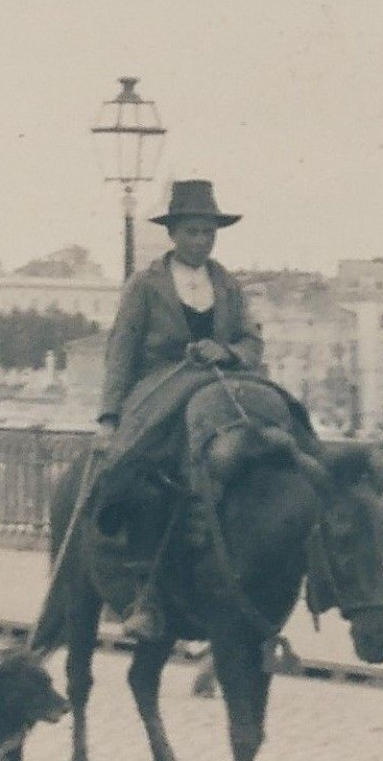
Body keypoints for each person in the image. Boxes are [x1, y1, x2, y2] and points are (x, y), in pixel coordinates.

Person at [90, 179, 266, 639]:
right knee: (144, 469)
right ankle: (143, 592)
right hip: (160, 388)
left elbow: (252, 340)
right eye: (192, 232)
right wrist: (110, 418)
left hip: (222, 383)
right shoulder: (145, 286)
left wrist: (225, 352)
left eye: (208, 233)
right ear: (173, 235)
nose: (201, 241)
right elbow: (121, 352)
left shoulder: (227, 285)